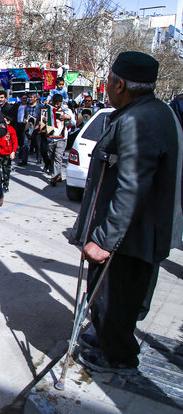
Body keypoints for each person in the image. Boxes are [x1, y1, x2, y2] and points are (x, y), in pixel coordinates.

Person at [71, 51, 182, 374]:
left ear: (119, 84)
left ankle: (118, 357)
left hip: (130, 236)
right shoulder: (156, 111)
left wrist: (104, 240)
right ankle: (109, 337)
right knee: (124, 299)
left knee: (114, 298)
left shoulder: (137, 121)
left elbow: (131, 187)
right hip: (141, 232)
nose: (105, 86)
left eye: (107, 81)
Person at [47, 94, 75, 185]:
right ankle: (58, 174)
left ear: (61, 103)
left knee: (58, 157)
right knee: (51, 155)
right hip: (51, 137)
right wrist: (44, 119)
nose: (56, 105)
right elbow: (43, 122)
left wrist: (68, 117)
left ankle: (54, 177)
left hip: (62, 138)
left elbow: (74, 122)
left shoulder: (67, 111)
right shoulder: (49, 110)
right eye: (55, 103)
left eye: (58, 104)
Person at [0, 114, 18, 193]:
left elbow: (14, 141)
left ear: (8, 122)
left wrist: (13, 151)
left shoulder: (11, 130)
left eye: (5, 121)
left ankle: (6, 185)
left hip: (7, 153)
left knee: (6, 170)